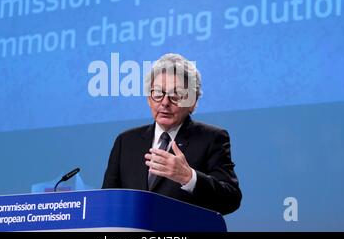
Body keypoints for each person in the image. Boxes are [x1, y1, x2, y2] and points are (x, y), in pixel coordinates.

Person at [102, 53, 241, 215]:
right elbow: (107, 202)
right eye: (158, 93)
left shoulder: (212, 138)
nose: (165, 102)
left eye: (175, 95)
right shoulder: (125, 142)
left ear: (193, 102)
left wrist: (189, 177)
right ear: (148, 98)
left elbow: (231, 199)